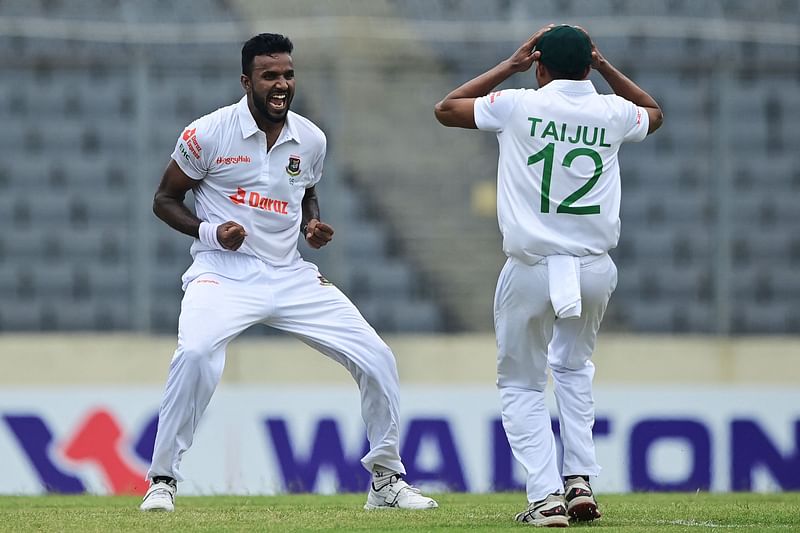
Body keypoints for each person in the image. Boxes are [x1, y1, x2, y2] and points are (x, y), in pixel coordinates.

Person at [139, 33, 438, 513]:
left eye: (288, 75)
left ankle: (386, 481)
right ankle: (162, 479)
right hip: (223, 273)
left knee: (378, 357)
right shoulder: (208, 133)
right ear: (246, 80)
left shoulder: (311, 138)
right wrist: (213, 233)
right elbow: (164, 200)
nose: (281, 84)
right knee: (195, 353)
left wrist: (310, 223)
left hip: (290, 274)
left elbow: (305, 190)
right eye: (269, 76)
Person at [434, 24, 662, 527]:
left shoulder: (517, 103)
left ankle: (545, 498)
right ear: (588, 65)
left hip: (532, 267)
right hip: (595, 269)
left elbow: (447, 108)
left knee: (520, 383)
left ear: (538, 67)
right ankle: (579, 480)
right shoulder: (612, 111)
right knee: (575, 368)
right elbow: (654, 113)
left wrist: (508, 66)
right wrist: (606, 69)